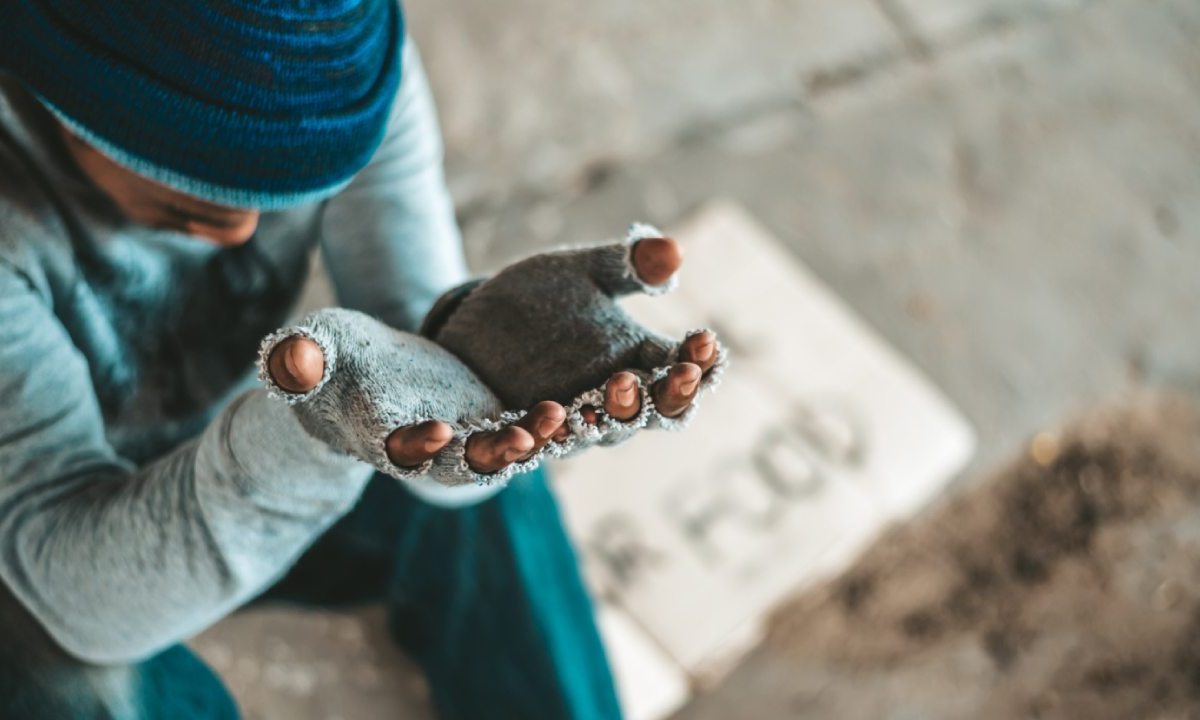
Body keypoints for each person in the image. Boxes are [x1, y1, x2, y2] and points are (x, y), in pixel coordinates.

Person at [0, 0, 713, 718]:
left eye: (286, 192)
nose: (241, 231)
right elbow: (77, 592)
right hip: (25, 540)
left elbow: (429, 379)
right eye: (189, 198)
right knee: (75, 694)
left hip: (202, 444)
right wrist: (312, 434)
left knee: (490, 428)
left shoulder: (346, 68)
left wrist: (474, 363)